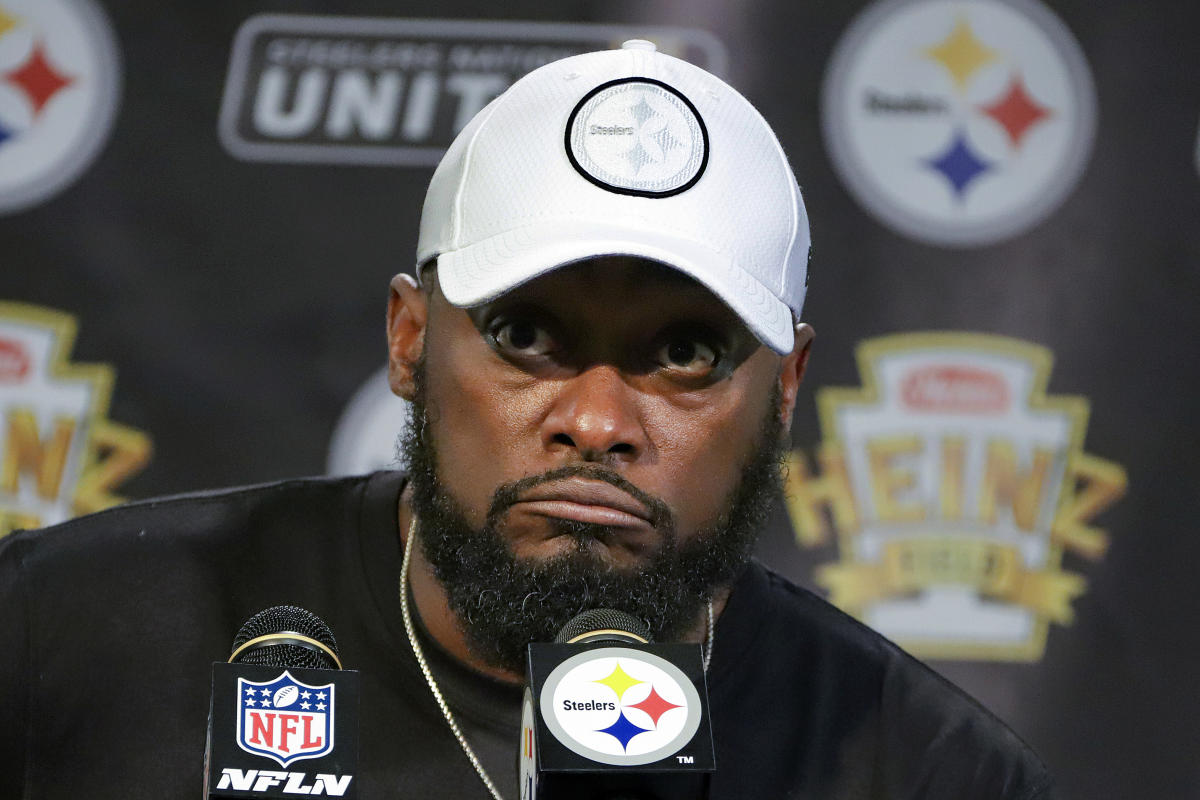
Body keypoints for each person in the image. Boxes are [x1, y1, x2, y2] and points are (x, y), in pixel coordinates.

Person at [0, 41, 1056, 799]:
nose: (597, 422)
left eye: (685, 352)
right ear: (410, 338)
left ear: (786, 386)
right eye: (527, 335)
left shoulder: (923, 768)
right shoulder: (61, 640)